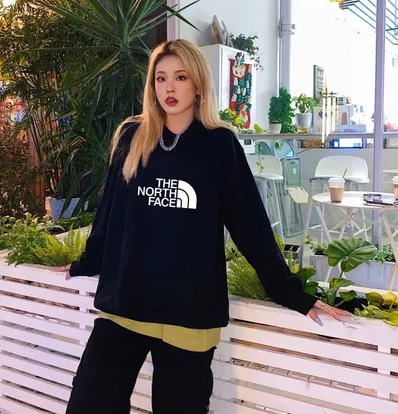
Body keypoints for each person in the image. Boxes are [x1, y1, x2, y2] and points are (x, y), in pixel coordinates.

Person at [56, 39, 349, 414]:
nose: (169, 88)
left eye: (180, 77)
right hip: (126, 303)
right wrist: (87, 263)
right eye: (161, 78)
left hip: (189, 311)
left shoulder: (218, 145)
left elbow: (251, 225)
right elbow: (109, 212)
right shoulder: (132, 137)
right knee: (88, 404)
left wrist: (290, 293)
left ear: (198, 84)